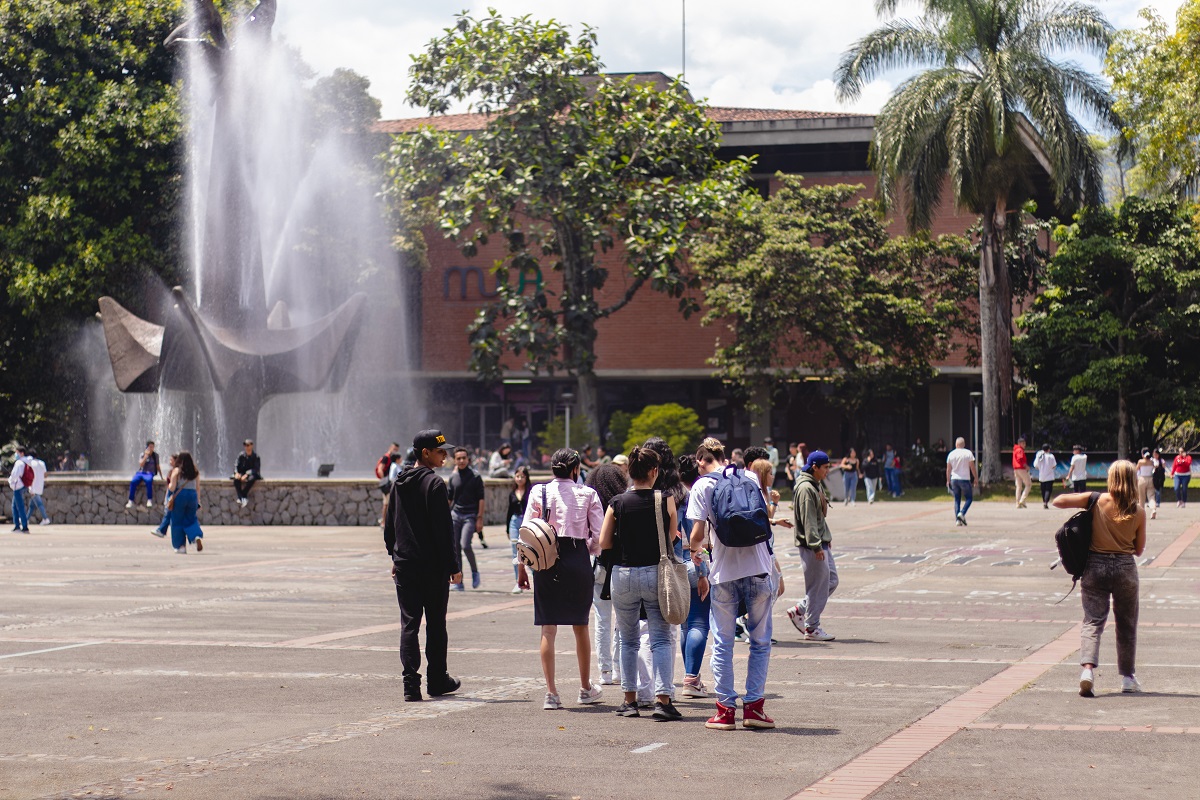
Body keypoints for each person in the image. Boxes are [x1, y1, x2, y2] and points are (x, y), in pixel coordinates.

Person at [688, 437, 777, 730]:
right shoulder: (750, 475)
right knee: (760, 642)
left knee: (724, 643)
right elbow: (764, 516)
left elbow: (697, 535)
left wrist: (694, 550)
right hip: (760, 569)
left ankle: (725, 711)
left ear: (702, 460)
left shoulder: (702, 486)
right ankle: (754, 709)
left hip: (724, 573)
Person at [517, 448, 604, 711]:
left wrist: (522, 567)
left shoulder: (538, 491)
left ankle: (552, 694)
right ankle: (585, 688)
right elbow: (598, 536)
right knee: (581, 626)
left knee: (548, 627)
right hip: (576, 558)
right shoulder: (587, 493)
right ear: (576, 469)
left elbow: (526, 533)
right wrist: (585, 550)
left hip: (545, 561)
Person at [599, 447, 682, 721]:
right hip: (655, 573)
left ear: (630, 473)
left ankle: (629, 701)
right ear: (654, 471)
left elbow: (603, 542)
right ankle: (663, 701)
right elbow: (672, 536)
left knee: (628, 639)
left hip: (622, 575)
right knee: (659, 638)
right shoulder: (664, 499)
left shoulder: (617, 502)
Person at [1053, 461, 1146, 696]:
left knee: (1093, 620)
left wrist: (1083, 503)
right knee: (1126, 624)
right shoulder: (1138, 511)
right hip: (1125, 568)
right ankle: (1127, 677)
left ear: (1111, 479)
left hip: (1095, 566)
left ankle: (1087, 670)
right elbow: (1139, 549)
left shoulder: (1097, 500)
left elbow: (1058, 501)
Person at [384, 429, 462, 702]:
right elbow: (444, 531)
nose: (446, 456)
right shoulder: (435, 485)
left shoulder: (399, 482)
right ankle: (437, 680)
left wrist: (394, 556)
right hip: (432, 568)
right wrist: (453, 565)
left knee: (409, 624)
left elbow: (390, 524)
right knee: (436, 625)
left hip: (406, 565)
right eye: (441, 452)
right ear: (425, 453)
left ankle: (410, 685)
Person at [787, 451, 838, 642]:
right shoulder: (806, 488)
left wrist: (825, 537)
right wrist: (816, 546)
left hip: (821, 541)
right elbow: (808, 521)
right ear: (815, 467)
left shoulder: (815, 484)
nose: (827, 471)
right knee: (817, 585)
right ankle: (811, 627)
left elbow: (818, 518)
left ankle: (800, 609)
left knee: (831, 580)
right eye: (824, 467)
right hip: (812, 546)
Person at [587, 462, 630, 685]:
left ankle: (604, 671)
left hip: (598, 566)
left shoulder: (591, 501)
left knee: (601, 618)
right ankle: (619, 669)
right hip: (620, 566)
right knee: (622, 619)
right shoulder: (622, 502)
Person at [677, 452, 711, 699]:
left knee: (685, 625)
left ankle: (691, 677)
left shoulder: (671, 497)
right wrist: (701, 573)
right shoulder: (694, 498)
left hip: (674, 567)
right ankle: (691, 677)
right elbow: (695, 542)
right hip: (693, 565)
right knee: (699, 622)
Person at [448, 447, 486, 589]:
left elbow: (481, 499)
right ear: (455, 460)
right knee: (455, 547)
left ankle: (475, 573)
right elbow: (450, 499)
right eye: (459, 458)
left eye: (464, 458)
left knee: (465, 545)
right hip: (455, 515)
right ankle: (459, 580)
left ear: (468, 459)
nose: (462, 461)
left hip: (470, 515)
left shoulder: (475, 476)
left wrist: (480, 518)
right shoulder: (453, 477)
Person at [168, 451, 204, 554]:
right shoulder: (195, 471)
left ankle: (181, 546)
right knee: (191, 519)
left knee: (177, 521)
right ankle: (196, 535)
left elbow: (172, 487)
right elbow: (197, 488)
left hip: (181, 496)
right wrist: (198, 501)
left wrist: (169, 486)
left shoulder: (177, 471)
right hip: (192, 496)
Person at [507, 465, 533, 594]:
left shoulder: (531, 491)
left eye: (522, 476)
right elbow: (509, 511)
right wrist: (507, 528)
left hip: (526, 521)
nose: (520, 479)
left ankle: (535, 576)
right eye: (517, 476)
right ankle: (518, 581)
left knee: (530, 551)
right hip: (514, 521)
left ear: (527, 477)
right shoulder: (512, 493)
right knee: (514, 552)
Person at [945, 437, 978, 526]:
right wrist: (975, 478)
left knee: (957, 500)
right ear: (964, 444)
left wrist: (948, 480)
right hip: (964, 479)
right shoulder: (968, 453)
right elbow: (972, 467)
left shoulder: (951, 454)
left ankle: (958, 520)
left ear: (956, 444)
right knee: (969, 498)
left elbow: (948, 469)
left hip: (954, 479)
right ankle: (962, 513)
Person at [126, 441, 162, 508]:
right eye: (150, 447)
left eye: (153, 447)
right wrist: (145, 456)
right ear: (147, 447)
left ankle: (149, 499)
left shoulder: (156, 455)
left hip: (150, 473)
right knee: (133, 482)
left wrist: (161, 476)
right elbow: (141, 464)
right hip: (141, 472)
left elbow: (158, 466)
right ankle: (130, 500)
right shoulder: (142, 454)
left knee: (149, 481)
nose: (151, 448)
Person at [151, 453, 178, 539]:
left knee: (168, 513)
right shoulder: (172, 471)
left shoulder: (176, 471)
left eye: (171, 460)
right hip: (170, 493)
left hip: (174, 494)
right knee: (169, 513)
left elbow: (173, 485)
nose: (169, 462)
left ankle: (162, 530)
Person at [231, 439, 261, 508]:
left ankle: (242, 495)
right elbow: (236, 464)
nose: (246, 447)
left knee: (252, 479)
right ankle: (242, 497)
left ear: (251, 446)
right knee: (236, 480)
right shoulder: (241, 455)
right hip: (242, 474)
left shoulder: (256, 457)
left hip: (251, 475)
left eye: (248, 445)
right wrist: (236, 473)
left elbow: (256, 469)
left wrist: (247, 474)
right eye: (245, 445)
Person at [8, 447, 30, 533]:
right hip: (23, 485)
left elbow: (14, 475)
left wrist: (10, 480)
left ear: (21, 453)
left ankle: (23, 526)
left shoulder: (19, 463)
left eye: (17, 453)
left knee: (19, 506)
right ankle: (17, 525)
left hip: (17, 486)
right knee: (15, 506)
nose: (16, 455)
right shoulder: (26, 461)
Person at [25, 451, 49, 526]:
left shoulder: (30, 464)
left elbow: (28, 475)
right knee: (32, 506)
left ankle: (45, 518)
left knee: (39, 504)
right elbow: (45, 475)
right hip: (40, 486)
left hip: (33, 486)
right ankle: (26, 519)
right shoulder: (42, 463)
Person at [1033, 443, 1058, 508]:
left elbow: (1035, 465)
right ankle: (1046, 502)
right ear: (1048, 449)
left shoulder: (1039, 455)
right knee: (1048, 490)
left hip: (1042, 476)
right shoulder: (1051, 456)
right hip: (1050, 476)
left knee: (1043, 490)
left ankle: (1044, 501)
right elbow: (1054, 465)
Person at [1135, 449, 1157, 520]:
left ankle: (1141, 514)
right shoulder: (1151, 462)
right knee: (1151, 496)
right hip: (1150, 479)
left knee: (1141, 497)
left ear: (1142, 454)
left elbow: (1136, 470)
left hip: (1142, 479)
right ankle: (1153, 509)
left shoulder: (1140, 462)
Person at [1012, 436, 1031, 508]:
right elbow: (1020, 459)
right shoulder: (1020, 450)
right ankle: (1022, 500)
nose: (1025, 445)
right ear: (1020, 443)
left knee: (1019, 486)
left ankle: (1017, 503)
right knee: (1028, 484)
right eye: (1023, 443)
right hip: (1021, 468)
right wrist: (1026, 466)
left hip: (1016, 469)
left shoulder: (1015, 449)